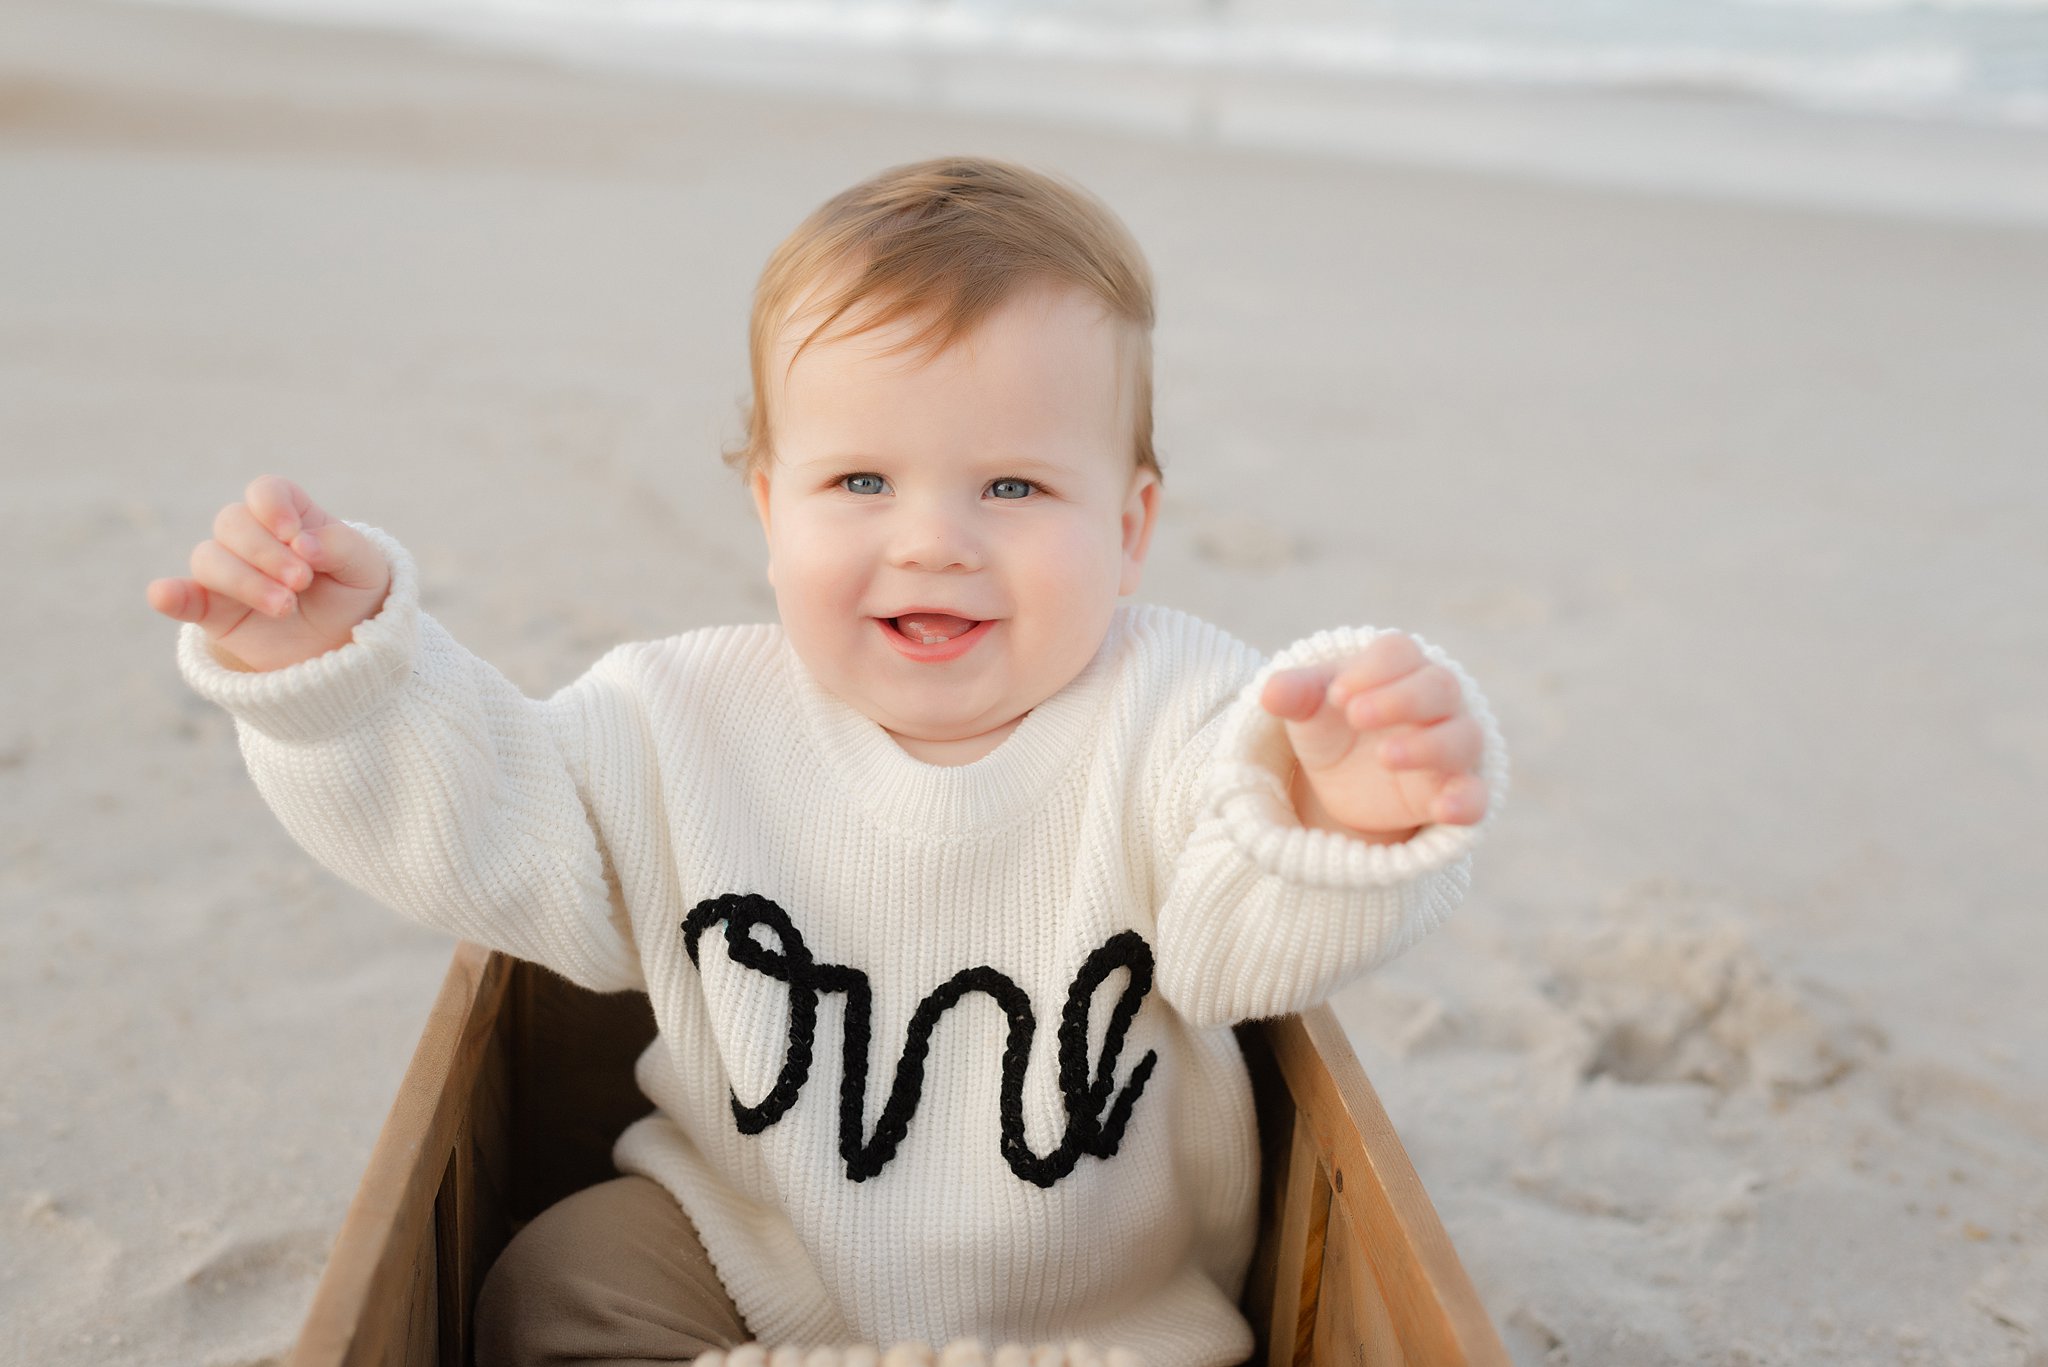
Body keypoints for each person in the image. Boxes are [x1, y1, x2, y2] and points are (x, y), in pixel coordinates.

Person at [147, 156, 1508, 1367]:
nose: (933, 540)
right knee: (553, 1290)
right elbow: (487, 819)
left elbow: (1236, 940)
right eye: (861, 482)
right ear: (768, 507)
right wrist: (339, 676)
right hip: (755, 1248)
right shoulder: (678, 717)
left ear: (1131, 525)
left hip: (1101, 1322)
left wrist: (1337, 818)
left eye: (1015, 488)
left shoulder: (1183, 708)